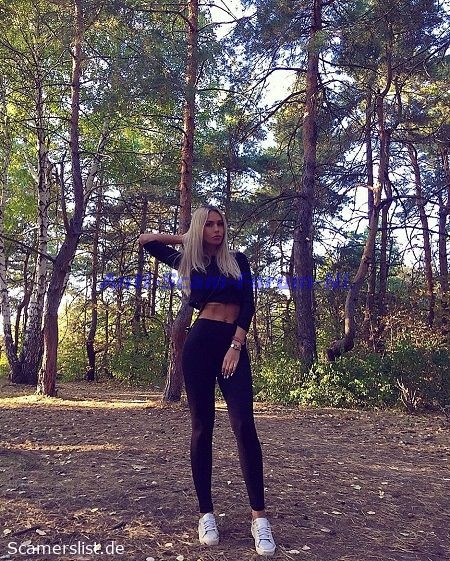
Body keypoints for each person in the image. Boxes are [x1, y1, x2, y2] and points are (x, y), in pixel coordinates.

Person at [139, 205, 276, 556]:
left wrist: (236, 345)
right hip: (200, 345)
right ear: (201, 229)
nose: (217, 229)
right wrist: (184, 237)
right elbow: (146, 240)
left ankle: (259, 519)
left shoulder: (238, 261)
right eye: (210, 224)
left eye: (220, 224)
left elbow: (248, 305)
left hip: (233, 345)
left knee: (244, 425)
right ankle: (206, 514)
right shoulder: (189, 262)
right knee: (202, 427)